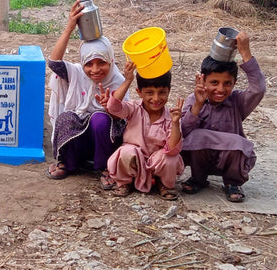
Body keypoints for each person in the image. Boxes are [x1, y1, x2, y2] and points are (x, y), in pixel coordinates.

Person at [46, 0, 126, 185]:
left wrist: (110, 106)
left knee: (99, 119)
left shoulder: (117, 81)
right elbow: (54, 64)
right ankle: (69, 163)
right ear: (82, 64)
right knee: (67, 117)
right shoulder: (76, 73)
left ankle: (106, 167)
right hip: (79, 142)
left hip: (105, 143)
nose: (95, 70)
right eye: (88, 64)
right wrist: (69, 28)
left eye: (101, 62)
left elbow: (123, 116)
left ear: (111, 61)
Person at [180, 31, 266, 203]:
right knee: (195, 136)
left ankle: (232, 183)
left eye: (227, 83)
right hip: (200, 158)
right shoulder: (194, 99)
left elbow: (258, 89)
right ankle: (198, 179)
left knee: (238, 143)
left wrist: (246, 54)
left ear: (234, 83)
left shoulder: (238, 102)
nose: (220, 89)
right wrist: (197, 105)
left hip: (229, 160)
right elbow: (182, 130)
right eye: (214, 83)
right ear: (202, 81)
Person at [101, 62, 184, 199]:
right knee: (125, 152)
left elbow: (173, 148)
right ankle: (124, 182)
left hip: (156, 163)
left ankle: (163, 183)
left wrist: (175, 124)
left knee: (170, 158)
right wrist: (128, 80)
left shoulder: (171, 116)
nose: (156, 98)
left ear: (169, 91)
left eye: (162, 92)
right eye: (150, 93)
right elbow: (113, 107)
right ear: (139, 92)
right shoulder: (133, 108)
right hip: (134, 160)